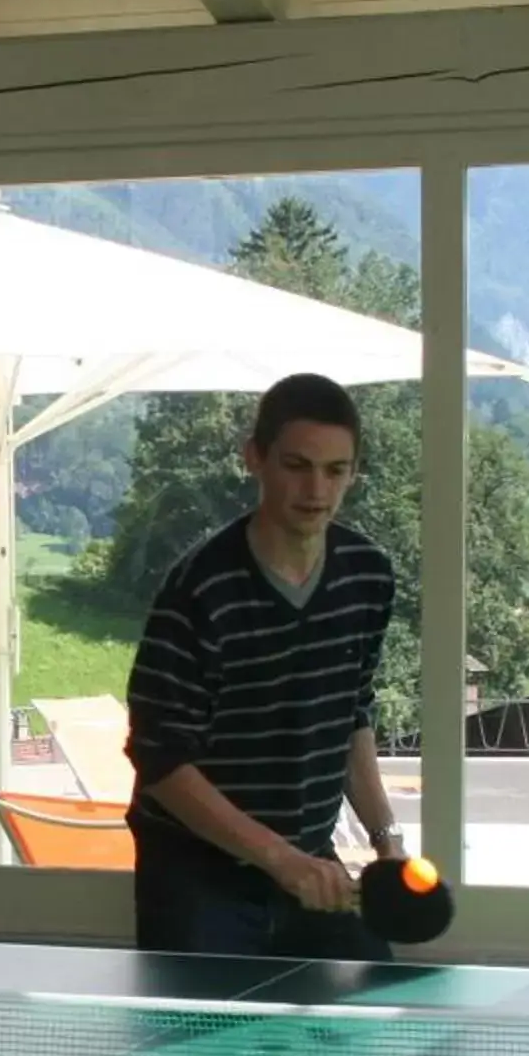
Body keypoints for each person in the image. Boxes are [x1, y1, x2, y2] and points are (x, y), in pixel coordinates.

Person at [122, 371, 408, 960]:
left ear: (354, 472)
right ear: (255, 459)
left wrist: (388, 844)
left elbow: (351, 713)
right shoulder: (199, 589)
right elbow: (161, 759)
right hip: (196, 875)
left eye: (336, 471)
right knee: (204, 1048)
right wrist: (280, 859)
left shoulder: (368, 575)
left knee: (373, 1022)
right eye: (297, 465)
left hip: (308, 864)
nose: (316, 490)